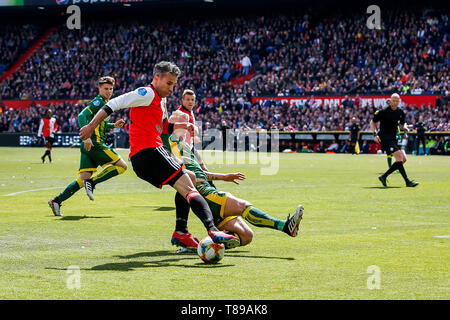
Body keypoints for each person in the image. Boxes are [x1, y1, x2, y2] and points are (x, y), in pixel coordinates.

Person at [79, 61, 239, 247]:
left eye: (174, 84)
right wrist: (91, 126)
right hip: (148, 152)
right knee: (189, 187)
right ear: (157, 78)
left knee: (192, 178)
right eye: (169, 83)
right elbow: (114, 103)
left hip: (150, 154)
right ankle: (213, 231)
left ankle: (181, 232)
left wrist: (182, 125)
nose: (171, 89)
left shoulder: (160, 100)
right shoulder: (146, 93)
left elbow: (163, 127)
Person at [166, 111, 304, 249]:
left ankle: (203, 247)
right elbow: (189, 175)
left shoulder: (186, 147)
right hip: (202, 192)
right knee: (242, 206)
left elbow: (200, 174)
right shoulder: (172, 143)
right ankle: (285, 227)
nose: (189, 126)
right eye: (185, 123)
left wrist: (224, 177)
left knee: (246, 236)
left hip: (207, 190)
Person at [48, 76, 128, 216]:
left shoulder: (104, 102)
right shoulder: (98, 102)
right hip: (95, 144)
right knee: (122, 167)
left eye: (111, 89)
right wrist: (87, 138)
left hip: (89, 146)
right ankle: (93, 182)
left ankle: (56, 201)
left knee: (82, 179)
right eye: (105, 89)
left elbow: (99, 124)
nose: (109, 91)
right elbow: (81, 116)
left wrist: (112, 125)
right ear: (99, 88)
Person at [370, 93, 419, 187]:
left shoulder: (400, 112)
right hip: (385, 137)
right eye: (394, 101)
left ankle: (384, 176)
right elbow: (372, 122)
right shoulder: (383, 111)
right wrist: (375, 134)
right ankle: (407, 182)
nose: (395, 103)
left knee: (403, 159)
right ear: (390, 101)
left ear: (399, 101)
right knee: (400, 158)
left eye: (397, 101)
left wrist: (405, 128)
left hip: (394, 137)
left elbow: (402, 123)